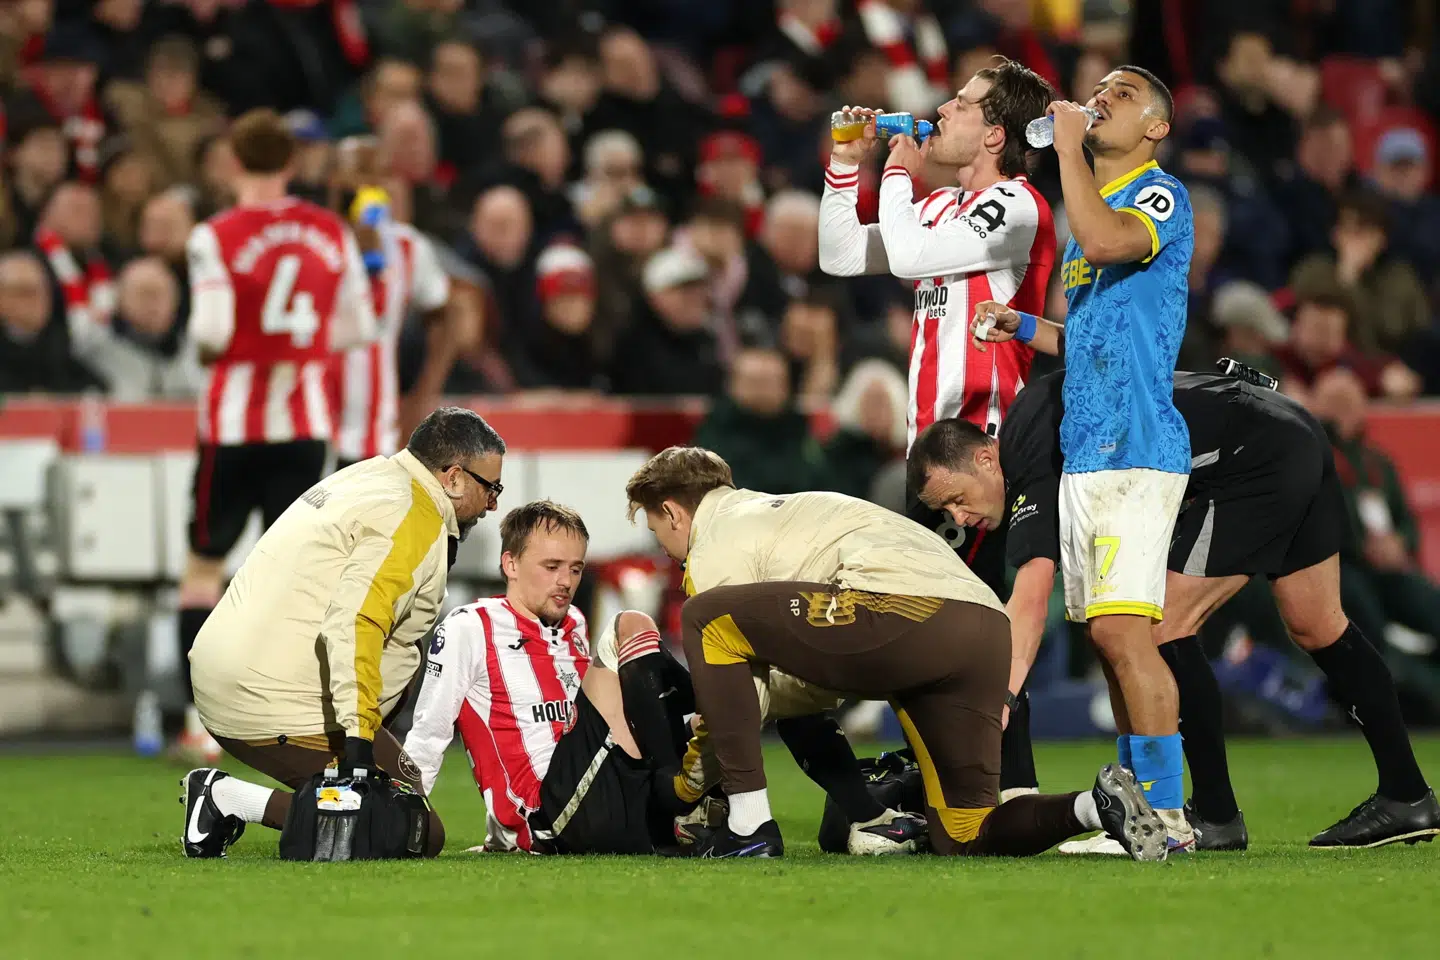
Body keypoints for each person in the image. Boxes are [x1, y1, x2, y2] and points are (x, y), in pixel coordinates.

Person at [908, 369, 1440, 852]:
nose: (959, 515)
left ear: (984, 456)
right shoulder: (1039, 411)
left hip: (1248, 456)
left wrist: (996, 700)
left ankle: (1213, 815)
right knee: (1318, 623)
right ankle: (1407, 796)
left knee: (1155, 625)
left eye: (956, 498)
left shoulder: (1027, 461)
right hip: (1288, 426)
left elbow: (1028, 599)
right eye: (944, 512)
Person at [624, 446, 1170, 861]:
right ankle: (1094, 805)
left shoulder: (717, 536)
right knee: (964, 830)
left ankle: (750, 828)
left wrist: (685, 783)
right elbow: (787, 682)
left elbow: (743, 687)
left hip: (904, 610)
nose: (665, 547)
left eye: (657, 531)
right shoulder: (784, 513)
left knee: (704, 617)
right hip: (982, 624)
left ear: (672, 513)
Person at [817, 56, 1058, 800]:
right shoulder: (941, 209)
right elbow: (840, 254)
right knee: (936, 637)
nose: (940, 112)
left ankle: (1001, 794)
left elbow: (913, 256)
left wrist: (894, 169)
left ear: (994, 133)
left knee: (974, 632)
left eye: (960, 104)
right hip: (937, 464)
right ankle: (965, 793)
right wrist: (841, 166)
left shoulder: (1013, 205)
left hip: (993, 453)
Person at [972, 66, 1195, 849]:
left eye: (1122, 96)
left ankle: (1166, 812)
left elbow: (1105, 240)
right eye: (1095, 91)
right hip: (1089, 448)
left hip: (1137, 445)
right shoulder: (1089, 217)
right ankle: (1138, 807)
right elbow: (1094, 337)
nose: (1099, 101)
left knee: (1124, 634)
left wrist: (1068, 146)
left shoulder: (1156, 195)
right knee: (1105, 639)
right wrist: (1026, 328)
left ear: (1156, 129)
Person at [178, 407, 506, 859]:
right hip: (265, 694)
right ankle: (224, 798)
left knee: (405, 790)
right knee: (411, 829)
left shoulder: (370, 474)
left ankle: (311, 784)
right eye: (490, 488)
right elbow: (356, 623)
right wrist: (357, 745)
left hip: (238, 667)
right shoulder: (414, 517)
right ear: (452, 478)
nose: (493, 505)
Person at [173, 108, 379, 763]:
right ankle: (285, 715)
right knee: (289, 576)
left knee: (204, 568)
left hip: (232, 426)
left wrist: (229, 354)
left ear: (232, 161)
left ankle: (200, 720)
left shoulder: (215, 235)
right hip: (305, 423)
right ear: (291, 162)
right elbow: (358, 327)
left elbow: (208, 329)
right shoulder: (328, 231)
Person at [403, 500, 693, 854]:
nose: (565, 581)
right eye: (551, 566)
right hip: (545, 815)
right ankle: (677, 789)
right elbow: (429, 731)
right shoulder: (471, 626)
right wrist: (405, 816)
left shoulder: (575, 624)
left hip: (599, 795)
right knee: (631, 625)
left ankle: (694, 802)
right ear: (510, 564)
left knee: (692, 717)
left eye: (575, 569)